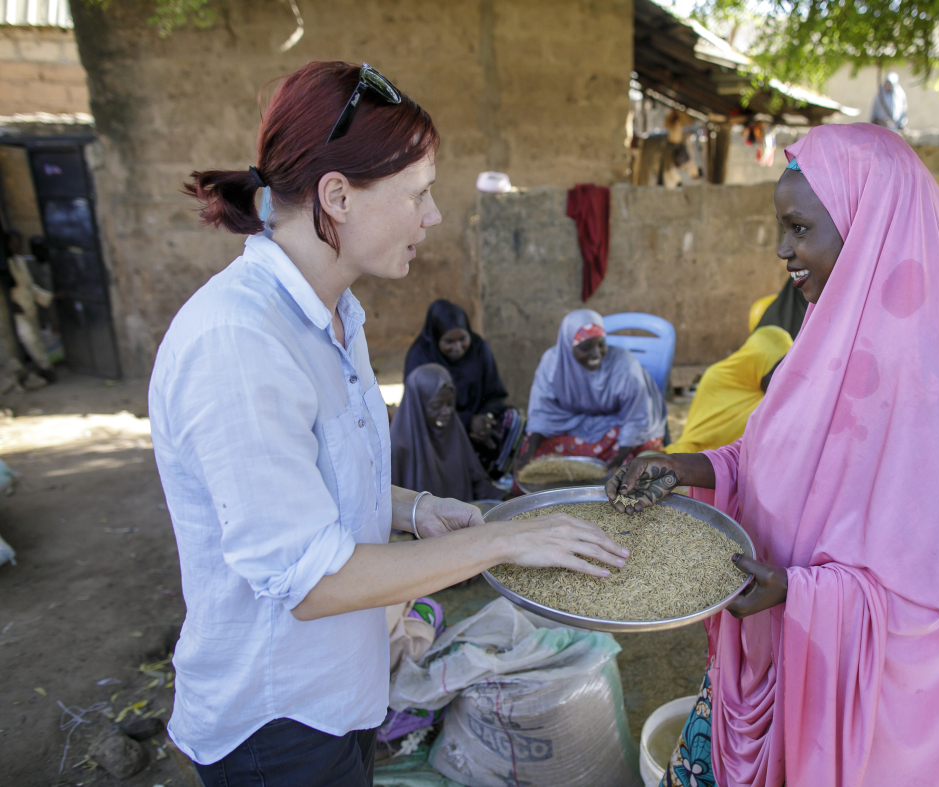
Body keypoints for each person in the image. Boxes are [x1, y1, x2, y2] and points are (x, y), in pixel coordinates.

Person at [150, 61, 628, 787]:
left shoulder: (335, 314)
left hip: (345, 689)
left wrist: (417, 508)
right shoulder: (239, 341)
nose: (432, 215)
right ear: (338, 196)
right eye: (418, 192)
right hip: (278, 723)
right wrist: (503, 539)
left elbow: (321, 477)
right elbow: (311, 581)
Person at [609, 123, 939, 786]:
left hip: (847, 704)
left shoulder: (937, 389)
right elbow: (778, 460)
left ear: (867, 228)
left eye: (799, 229)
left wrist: (801, 593)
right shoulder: (825, 343)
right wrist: (685, 466)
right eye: (781, 229)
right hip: (777, 657)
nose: (783, 250)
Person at [519, 308, 666, 474]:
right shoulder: (552, 364)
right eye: (586, 347)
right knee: (534, 449)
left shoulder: (624, 365)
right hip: (572, 423)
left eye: (601, 344)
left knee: (639, 453)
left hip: (617, 423)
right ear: (568, 346)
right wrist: (530, 453)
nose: (596, 354)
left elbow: (637, 417)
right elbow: (542, 413)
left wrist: (619, 458)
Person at [403, 299, 518, 477]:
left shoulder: (478, 348)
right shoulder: (420, 357)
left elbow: (495, 394)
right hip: (441, 425)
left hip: (479, 425)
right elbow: (420, 409)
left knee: (513, 419)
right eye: (448, 341)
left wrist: (484, 418)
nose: (457, 348)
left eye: (463, 339)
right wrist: (467, 422)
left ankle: (492, 473)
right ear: (435, 338)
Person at [664, 326, 792, 455]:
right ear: (756, 361)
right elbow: (697, 441)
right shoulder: (717, 378)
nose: (781, 376)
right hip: (706, 457)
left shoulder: (781, 398)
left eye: (787, 368)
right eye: (774, 368)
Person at [390, 363, 504, 503]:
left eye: (450, 403)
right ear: (418, 406)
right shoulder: (399, 449)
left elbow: (476, 480)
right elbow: (391, 503)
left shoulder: (453, 431)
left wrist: (505, 498)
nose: (447, 412)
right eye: (436, 406)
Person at [5, 229, 55, 380]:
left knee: (37, 339)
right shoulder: (5, 265)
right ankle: (45, 367)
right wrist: (11, 304)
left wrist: (50, 296)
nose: (17, 246)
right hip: (18, 309)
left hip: (29, 306)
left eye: (19, 242)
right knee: (28, 337)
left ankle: (45, 368)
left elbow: (29, 286)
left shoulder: (19, 261)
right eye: (14, 243)